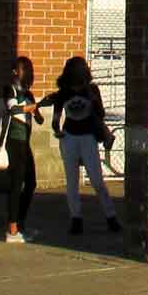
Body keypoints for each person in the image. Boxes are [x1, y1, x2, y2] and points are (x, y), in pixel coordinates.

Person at [39, 56, 120, 234]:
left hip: (88, 136)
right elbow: (56, 117)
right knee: (72, 180)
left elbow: (101, 113)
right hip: (69, 136)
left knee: (97, 179)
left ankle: (110, 216)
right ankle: (76, 218)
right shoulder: (64, 93)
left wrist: (93, 99)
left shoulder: (92, 90)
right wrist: (57, 130)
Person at [2, 56, 44, 244]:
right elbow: (13, 109)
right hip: (13, 140)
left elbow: (39, 118)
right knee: (16, 183)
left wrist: (38, 109)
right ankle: (11, 229)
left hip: (25, 142)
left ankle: (20, 222)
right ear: (14, 72)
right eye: (22, 69)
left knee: (31, 182)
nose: (25, 73)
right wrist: (31, 107)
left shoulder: (29, 93)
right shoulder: (9, 90)